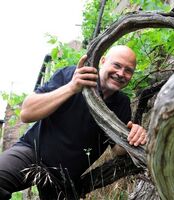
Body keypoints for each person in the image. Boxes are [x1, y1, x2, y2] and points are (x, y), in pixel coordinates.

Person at [0, 45, 147, 199]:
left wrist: (134, 135)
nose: (121, 73)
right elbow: (26, 113)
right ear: (102, 61)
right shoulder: (71, 74)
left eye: (128, 70)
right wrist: (71, 87)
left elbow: (117, 149)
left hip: (66, 177)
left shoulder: (122, 103)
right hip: (32, 153)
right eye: (116, 65)